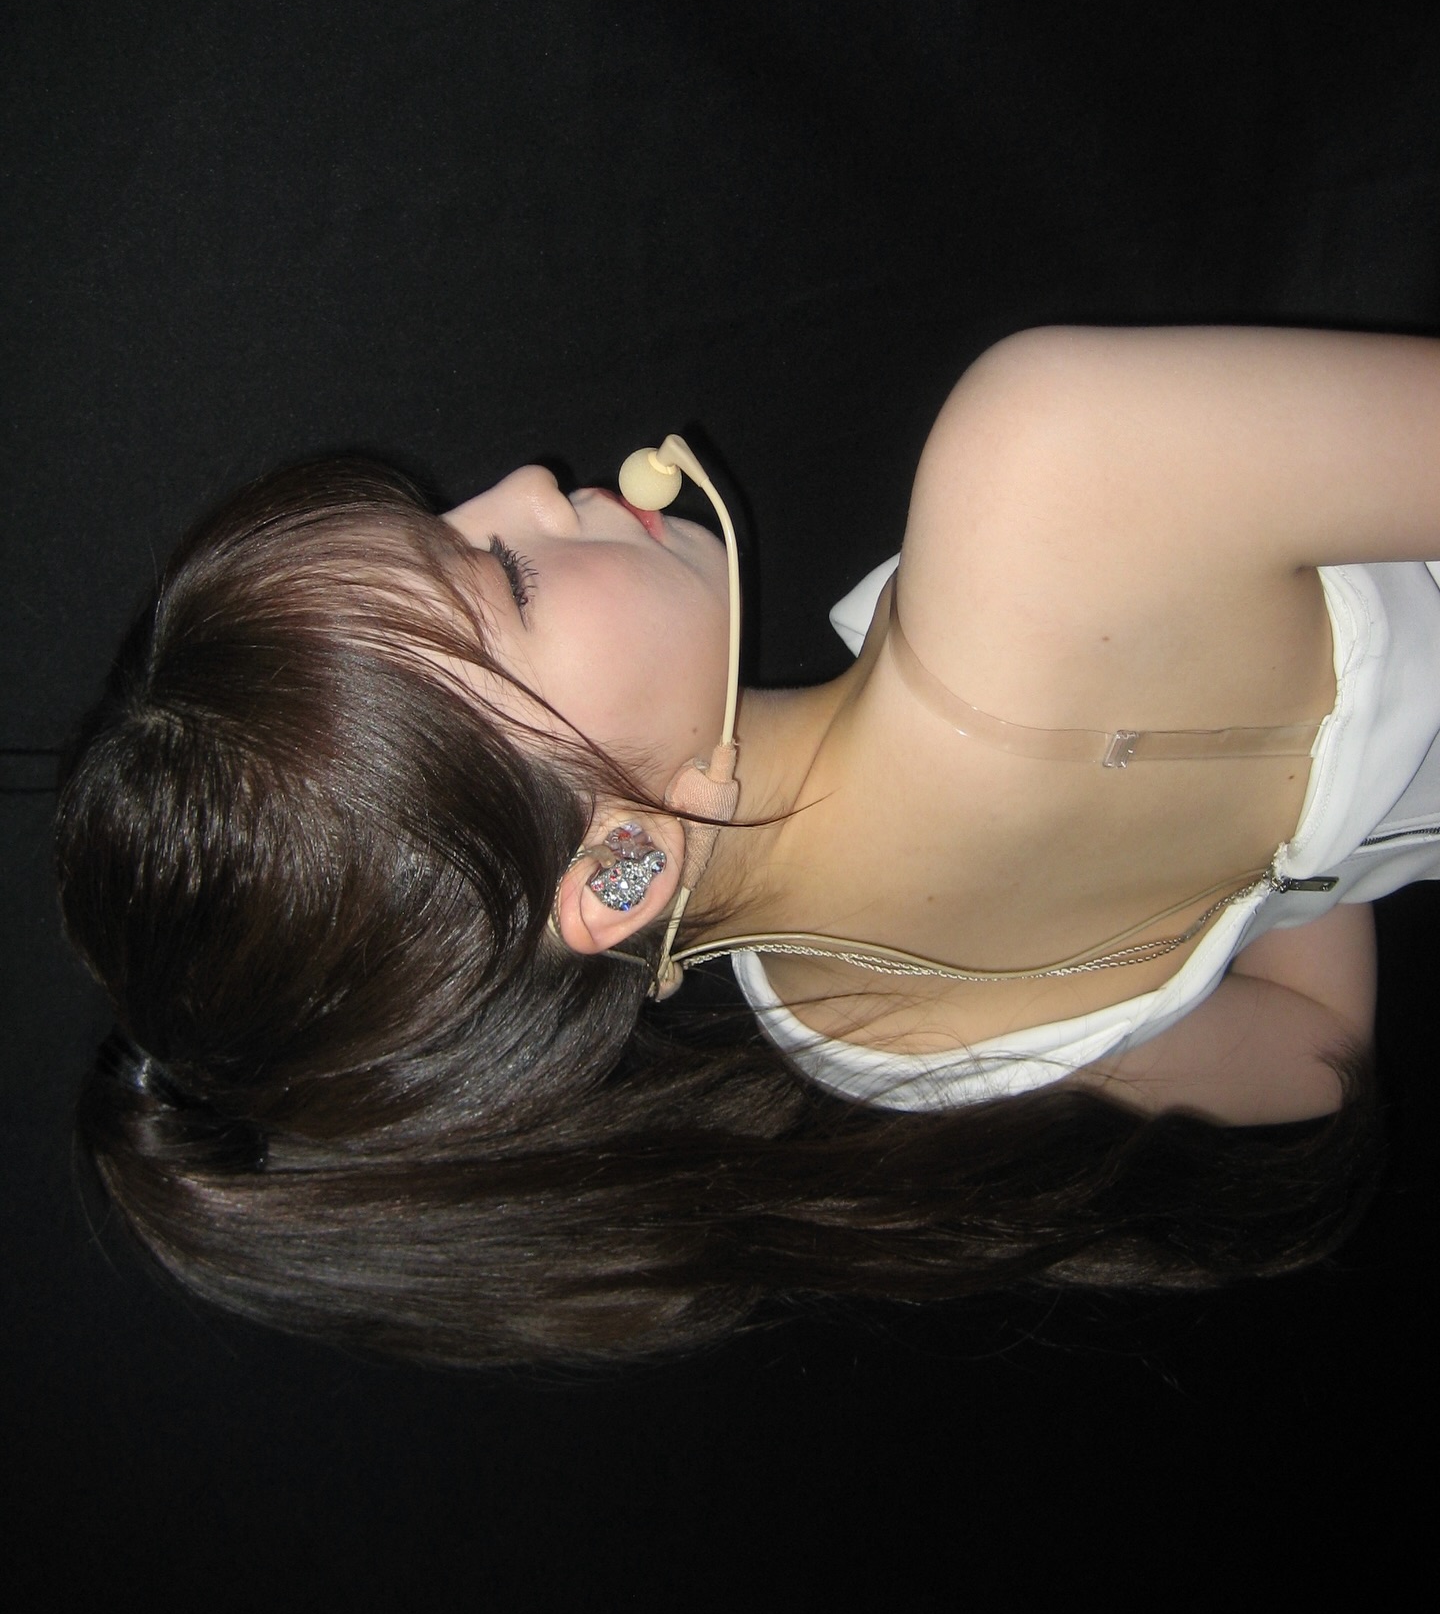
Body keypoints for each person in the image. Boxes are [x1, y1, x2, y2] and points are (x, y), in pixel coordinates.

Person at [58, 324, 1440, 1367]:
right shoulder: (1045, 467)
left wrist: (1270, 802)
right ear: (616, 868)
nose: (524, 482)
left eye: (449, 517)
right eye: (501, 576)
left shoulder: (872, 1041)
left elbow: (1317, 1048)